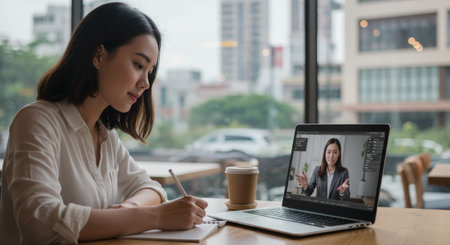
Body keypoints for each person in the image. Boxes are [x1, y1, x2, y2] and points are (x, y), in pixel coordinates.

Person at [0, 3, 207, 244]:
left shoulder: (105, 134)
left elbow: (150, 188)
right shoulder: (37, 121)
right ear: (99, 55)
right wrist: (153, 217)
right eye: (139, 65)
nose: (146, 83)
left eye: (150, 72)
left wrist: (128, 210)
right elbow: (39, 222)